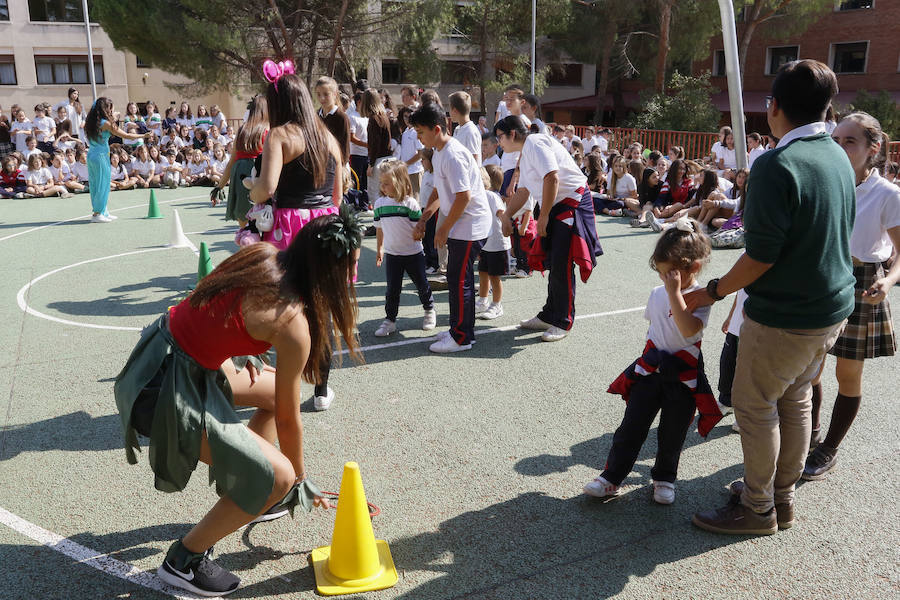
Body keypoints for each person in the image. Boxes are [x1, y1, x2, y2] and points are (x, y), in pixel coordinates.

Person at [114, 210, 361, 597]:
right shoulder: (292, 323)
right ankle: (183, 560)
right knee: (277, 477)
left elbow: (205, 297)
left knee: (272, 390)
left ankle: (248, 488)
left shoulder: (262, 254)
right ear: (330, 273)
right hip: (164, 391)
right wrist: (296, 479)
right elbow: (288, 418)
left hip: (155, 359)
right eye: (350, 267)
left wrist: (236, 347)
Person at [688, 60, 856, 535]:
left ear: (775, 107)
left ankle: (758, 508)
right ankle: (779, 501)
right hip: (831, 309)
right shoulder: (837, 155)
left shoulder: (776, 165)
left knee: (755, 405)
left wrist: (715, 290)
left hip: (786, 314)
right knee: (796, 400)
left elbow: (761, 255)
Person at [583, 218, 721, 504]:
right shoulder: (658, 293)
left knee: (673, 433)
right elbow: (655, 329)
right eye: (661, 274)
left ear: (693, 268)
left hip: (683, 377)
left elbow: (688, 330)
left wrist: (675, 295)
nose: (664, 280)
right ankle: (612, 477)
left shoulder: (699, 298)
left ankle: (664, 478)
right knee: (631, 427)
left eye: (669, 274)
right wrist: (668, 292)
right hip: (651, 370)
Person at [803, 112, 900, 480]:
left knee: (848, 373)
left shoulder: (888, 194)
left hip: (863, 282)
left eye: (850, 141)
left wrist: (889, 282)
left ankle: (829, 448)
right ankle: (807, 436)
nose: (840, 147)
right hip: (823, 277)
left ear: (872, 148)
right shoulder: (827, 181)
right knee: (809, 369)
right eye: (837, 139)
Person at [249, 72, 343, 410]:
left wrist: (251, 188)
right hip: (326, 225)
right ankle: (321, 389)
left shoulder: (279, 135)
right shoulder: (327, 137)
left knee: (282, 303)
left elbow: (267, 188)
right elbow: (337, 194)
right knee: (322, 306)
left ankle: (280, 384)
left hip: (289, 226)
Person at [495, 116, 602, 342]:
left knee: (562, 263)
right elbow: (523, 192)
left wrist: (542, 216)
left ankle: (563, 320)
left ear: (512, 134)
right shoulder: (525, 152)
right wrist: (506, 215)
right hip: (556, 204)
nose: (499, 143)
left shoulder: (535, 142)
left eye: (500, 137)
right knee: (554, 261)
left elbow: (552, 178)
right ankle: (550, 314)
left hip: (571, 201)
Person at [410, 102, 492, 353]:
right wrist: (426, 218)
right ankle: (461, 329)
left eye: (421, 132)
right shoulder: (439, 150)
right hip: (462, 224)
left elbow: (464, 196)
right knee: (459, 279)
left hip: (470, 225)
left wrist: (443, 229)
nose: (418, 137)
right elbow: (438, 188)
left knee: (459, 282)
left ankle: (462, 337)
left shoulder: (453, 154)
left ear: (436, 129)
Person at [372, 158, 436, 337]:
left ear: (399, 182)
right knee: (392, 290)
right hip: (393, 255)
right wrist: (380, 249)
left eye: (387, 183)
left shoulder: (410, 204)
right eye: (381, 183)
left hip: (413, 254)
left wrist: (419, 234)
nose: (383, 187)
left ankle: (429, 310)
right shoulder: (379, 205)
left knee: (422, 285)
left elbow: (419, 228)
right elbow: (379, 229)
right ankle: (390, 320)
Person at [84, 98, 151, 222]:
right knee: (102, 184)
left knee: (96, 184)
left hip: (92, 154)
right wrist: (144, 135)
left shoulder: (91, 122)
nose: (112, 110)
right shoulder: (106, 123)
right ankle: (97, 214)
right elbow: (126, 135)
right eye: (110, 108)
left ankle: (103, 211)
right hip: (100, 156)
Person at [215, 95, 267, 227]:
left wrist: (219, 187)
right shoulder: (267, 130)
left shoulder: (241, 130)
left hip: (240, 174)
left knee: (244, 224)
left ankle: (246, 244)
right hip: (260, 173)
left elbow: (230, 163)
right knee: (265, 220)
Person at [475, 165, 511, 320]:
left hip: (497, 244)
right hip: (486, 244)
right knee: (482, 273)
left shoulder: (491, 196)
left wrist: (506, 224)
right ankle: (482, 301)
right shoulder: (480, 195)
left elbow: (500, 213)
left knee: (494, 276)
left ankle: (497, 305)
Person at [359, 89, 392, 207]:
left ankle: (378, 222)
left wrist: (371, 164)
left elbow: (375, 144)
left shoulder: (373, 119)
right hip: (388, 158)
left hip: (378, 160)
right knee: (386, 194)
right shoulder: (383, 116)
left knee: (375, 194)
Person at [315, 76, 351, 166]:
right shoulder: (315, 116)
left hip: (337, 165)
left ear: (335, 94)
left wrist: (342, 166)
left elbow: (345, 146)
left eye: (326, 94)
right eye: (318, 94)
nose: (322, 98)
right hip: (320, 164)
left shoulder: (342, 117)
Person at [397, 106, 424, 196]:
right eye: (405, 116)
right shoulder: (405, 132)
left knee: (416, 198)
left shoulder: (416, 131)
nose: (407, 119)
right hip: (406, 171)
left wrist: (406, 164)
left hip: (415, 171)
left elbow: (420, 154)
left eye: (409, 117)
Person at [449, 91, 481, 165]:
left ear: (454, 111)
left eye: (449, 109)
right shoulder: (457, 129)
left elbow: (474, 159)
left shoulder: (471, 131)